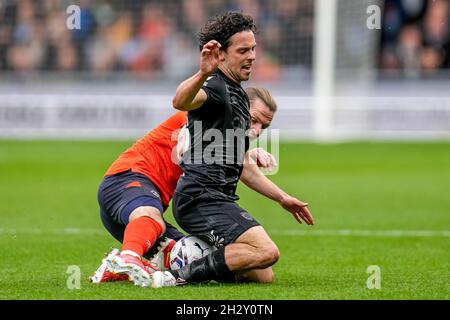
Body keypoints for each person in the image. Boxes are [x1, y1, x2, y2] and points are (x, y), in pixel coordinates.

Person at [150, 11, 314, 288]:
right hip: (200, 198)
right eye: (243, 50)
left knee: (261, 274)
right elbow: (180, 101)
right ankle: (175, 275)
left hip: (217, 198)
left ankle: (186, 256)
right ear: (221, 55)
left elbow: (244, 169)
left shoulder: (237, 92)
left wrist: (283, 198)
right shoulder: (215, 86)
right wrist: (203, 72)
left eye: (253, 49)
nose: (252, 56)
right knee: (266, 251)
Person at [91, 88, 279, 286]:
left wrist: (283, 198)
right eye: (254, 119)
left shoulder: (229, 140)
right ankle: (128, 258)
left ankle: (121, 270)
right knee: (150, 215)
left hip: (143, 222)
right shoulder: (204, 115)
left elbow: (239, 165)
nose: (257, 130)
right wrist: (244, 156)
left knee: (261, 273)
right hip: (126, 183)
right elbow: (186, 147)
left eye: (263, 127)